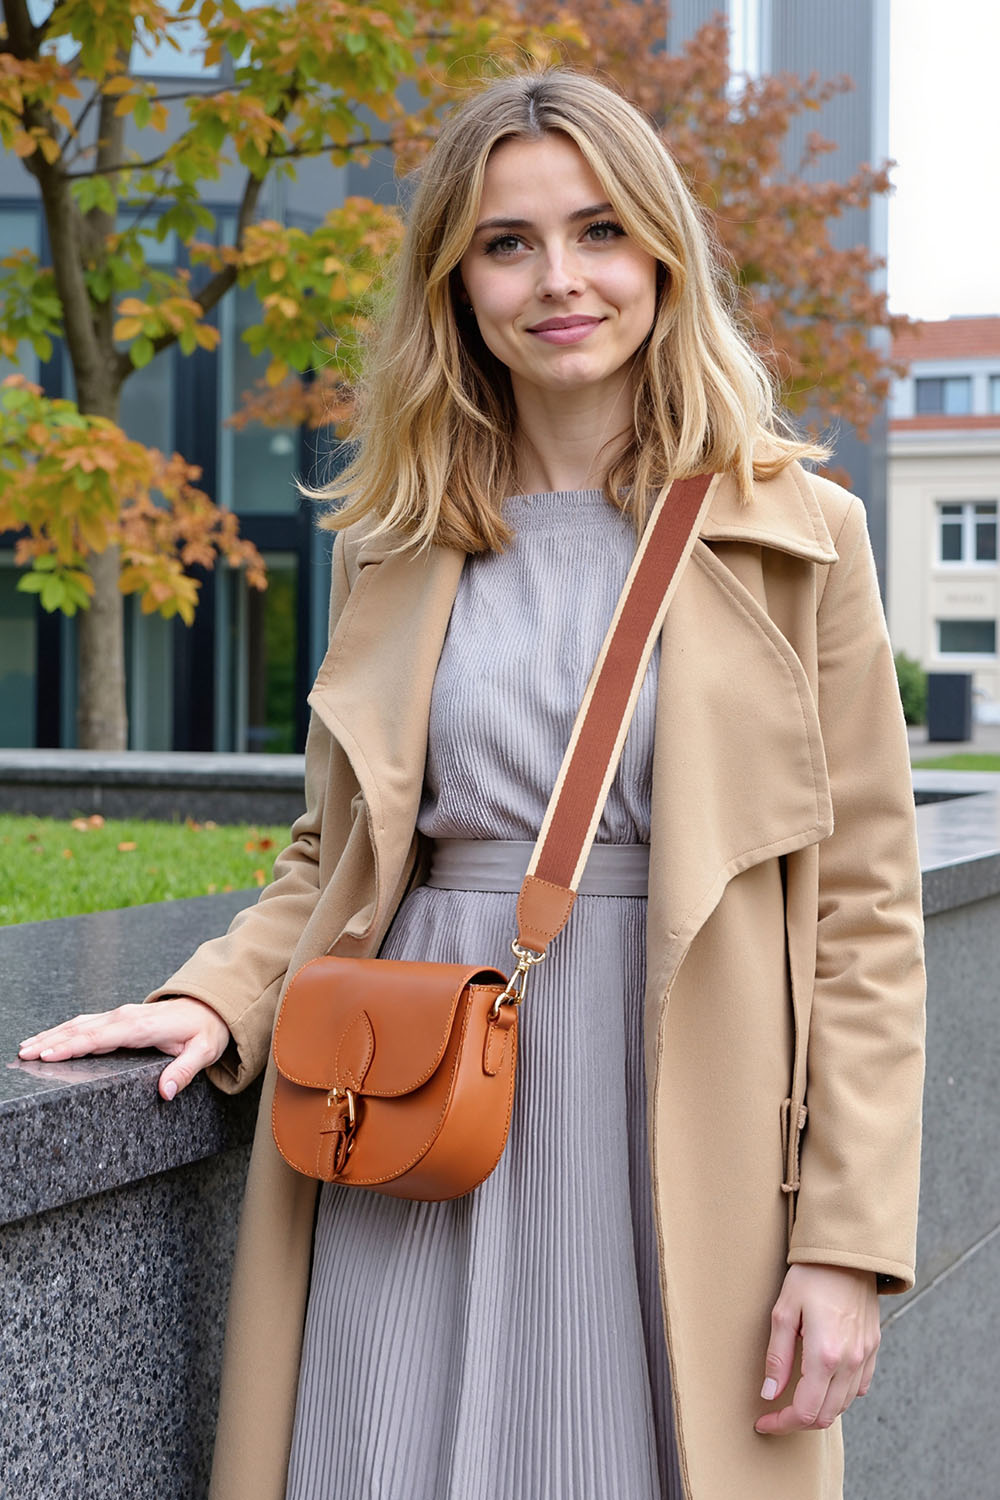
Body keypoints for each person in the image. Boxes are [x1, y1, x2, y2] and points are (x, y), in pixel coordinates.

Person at [18, 66, 925, 1500]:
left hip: (678, 1121)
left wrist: (847, 1242)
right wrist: (212, 996)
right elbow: (334, 855)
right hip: (415, 1111)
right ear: (455, 279)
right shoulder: (397, 539)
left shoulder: (799, 533)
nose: (558, 279)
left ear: (664, 257)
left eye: (599, 231)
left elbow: (868, 916)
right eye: (507, 243)